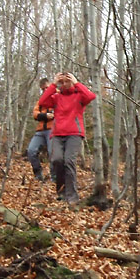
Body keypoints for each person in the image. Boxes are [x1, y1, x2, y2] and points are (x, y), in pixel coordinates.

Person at [38, 71, 96, 204]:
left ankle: (72, 196)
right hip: (57, 134)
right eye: (61, 82)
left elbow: (90, 96)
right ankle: (61, 192)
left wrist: (76, 83)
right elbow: (42, 102)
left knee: (69, 161)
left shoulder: (79, 96)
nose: (64, 84)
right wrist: (53, 84)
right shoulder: (56, 97)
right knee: (57, 160)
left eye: (67, 81)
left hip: (74, 133)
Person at [27, 77, 58, 184]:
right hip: (40, 130)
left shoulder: (58, 97)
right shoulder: (41, 101)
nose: (45, 90)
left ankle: (54, 177)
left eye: (47, 88)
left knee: (52, 153)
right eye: (43, 89)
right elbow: (35, 114)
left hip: (53, 130)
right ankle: (38, 175)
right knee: (31, 151)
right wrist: (45, 115)